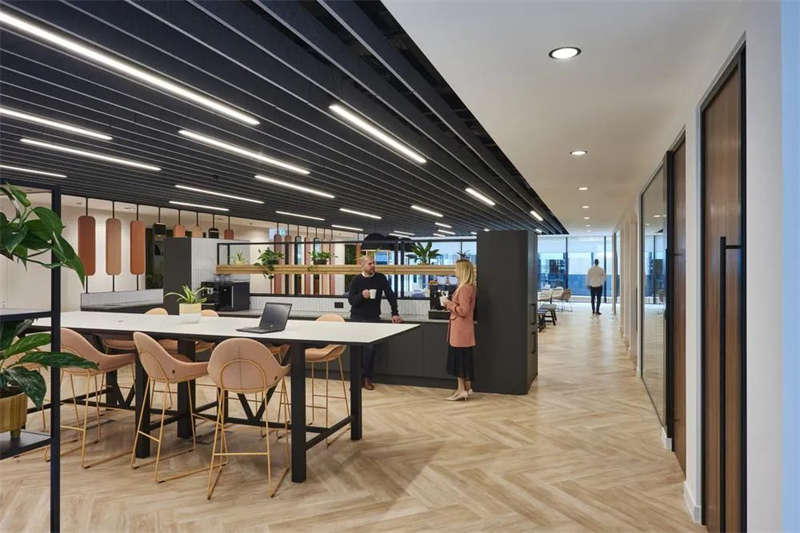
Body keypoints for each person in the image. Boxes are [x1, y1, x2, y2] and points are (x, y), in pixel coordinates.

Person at [347, 255, 402, 390]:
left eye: (374, 263)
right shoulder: (356, 280)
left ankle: (367, 378)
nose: (373, 266)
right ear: (363, 266)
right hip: (357, 318)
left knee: (370, 349)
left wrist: (395, 313)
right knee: (356, 350)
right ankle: (357, 379)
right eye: (370, 264)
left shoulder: (380, 278)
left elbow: (390, 295)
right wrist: (362, 295)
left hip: (373, 319)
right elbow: (352, 301)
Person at [441, 259, 477, 401]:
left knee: (458, 360)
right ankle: (464, 389)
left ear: (462, 271)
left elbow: (463, 311)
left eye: (456, 268)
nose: (454, 271)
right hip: (463, 330)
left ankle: (461, 390)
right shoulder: (470, 287)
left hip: (460, 330)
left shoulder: (464, 288)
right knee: (463, 359)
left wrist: (447, 303)